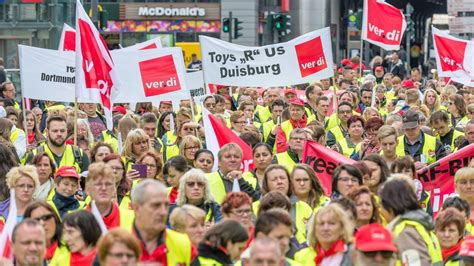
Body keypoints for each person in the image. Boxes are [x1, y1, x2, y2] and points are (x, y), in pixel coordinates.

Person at [379, 176, 442, 266]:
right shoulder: (418, 224)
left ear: (390, 205)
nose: (380, 210)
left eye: (381, 204)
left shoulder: (406, 231)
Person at [131, 179, 194, 264]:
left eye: (166, 205)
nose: (163, 212)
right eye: (156, 205)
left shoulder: (184, 243)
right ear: (136, 208)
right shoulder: (119, 243)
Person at [257, 165, 313, 245]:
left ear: (289, 181)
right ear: (266, 184)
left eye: (282, 178)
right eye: (274, 179)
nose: (279, 182)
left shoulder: (304, 207)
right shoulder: (255, 207)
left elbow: (311, 236)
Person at [24, 115, 89, 173]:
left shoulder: (80, 155)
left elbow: (87, 184)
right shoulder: (34, 155)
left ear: (67, 131)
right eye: (55, 131)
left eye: (62, 131)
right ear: (47, 132)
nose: (59, 134)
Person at [85, 162, 134, 230]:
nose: (104, 188)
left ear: (114, 189)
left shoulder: (132, 218)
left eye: (108, 184)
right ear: (87, 189)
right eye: (98, 184)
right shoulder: (75, 220)